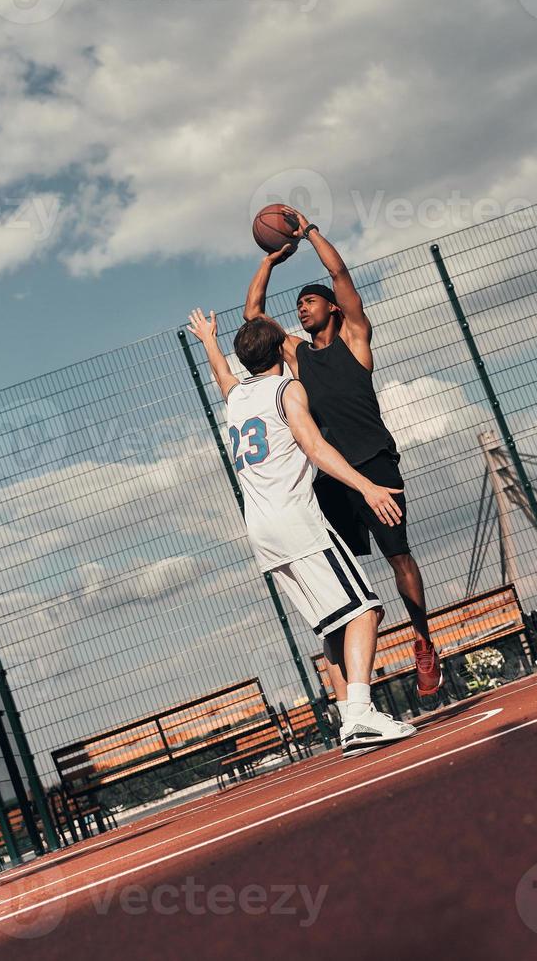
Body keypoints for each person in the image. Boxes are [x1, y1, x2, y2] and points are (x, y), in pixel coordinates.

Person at [186, 309, 417, 756]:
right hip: (298, 522)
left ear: (244, 358)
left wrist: (208, 340)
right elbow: (315, 447)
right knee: (366, 611)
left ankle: (352, 717)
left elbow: (220, 375)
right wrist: (367, 486)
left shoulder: (235, 398)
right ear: (279, 351)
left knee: (334, 628)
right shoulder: (287, 389)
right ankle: (360, 716)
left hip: (262, 532)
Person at [243, 206, 442, 697]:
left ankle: (422, 639)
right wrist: (271, 258)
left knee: (399, 557)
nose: (302, 308)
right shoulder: (295, 353)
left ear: (332, 308)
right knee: (336, 573)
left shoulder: (355, 339)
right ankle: (351, 680)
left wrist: (309, 232)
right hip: (330, 477)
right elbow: (253, 315)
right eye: (299, 305)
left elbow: (339, 272)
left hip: (373, 461)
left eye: (310, 301)